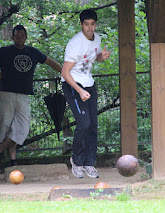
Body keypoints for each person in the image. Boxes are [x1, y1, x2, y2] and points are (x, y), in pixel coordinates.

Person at [0, 24, 62, 172]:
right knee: (7, 127)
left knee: (22, 127)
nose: (19, 38)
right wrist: (0, 75)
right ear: (12, 37)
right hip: (7, 92)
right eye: (16, 36)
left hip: (24, 94)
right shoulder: (5, 51)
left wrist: (66, 73)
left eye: (22, 35)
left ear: (26, 37)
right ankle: (12, 161)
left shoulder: (33, 52)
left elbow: (50, 62)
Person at [61, 9, 110, 178]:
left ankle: (89, 164)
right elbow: (65, 73)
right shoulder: (75, 43)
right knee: (84, 123)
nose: (90, 28)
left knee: (93, 126)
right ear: (81, 25)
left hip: (89, 83)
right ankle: (77, 161)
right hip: (72, 84)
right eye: (86, 24)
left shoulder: (97, 39)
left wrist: (102, 57)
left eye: (93, 24)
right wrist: (79, 90)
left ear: (96, 25)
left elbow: (92, 57)